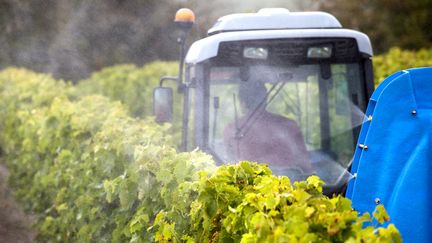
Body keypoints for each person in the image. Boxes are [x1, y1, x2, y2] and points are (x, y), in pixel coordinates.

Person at [224, 81, 313, 174]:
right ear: (265, 99)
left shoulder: (232, 129)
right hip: (290, 186)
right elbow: (306, 168)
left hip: (246, 187)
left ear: (242, 102)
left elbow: (228, 167)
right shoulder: (289, 125)